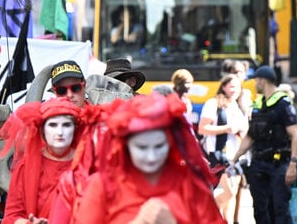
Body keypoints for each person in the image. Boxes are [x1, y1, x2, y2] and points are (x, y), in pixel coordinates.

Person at [71, 93, 221, 224]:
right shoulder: (103, 185)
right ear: (126, 146)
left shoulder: (189, 183)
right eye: (141, 148)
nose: (151, 157)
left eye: (159, 146)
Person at [229, 65, 297, 224]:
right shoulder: (258, 105)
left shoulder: (283, 104)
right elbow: (250, 136)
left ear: (263, 81)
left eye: (256, 80)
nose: (255, 84)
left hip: (279, 163)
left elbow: (295, 135)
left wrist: (293, 165)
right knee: (261, 209)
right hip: (259, 164)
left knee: (279, 209)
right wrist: (234, 159)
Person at [1, 97, 84, 223]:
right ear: (42, 130)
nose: (60, 132)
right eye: (53, 125)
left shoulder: (87, 164)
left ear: (75, 128)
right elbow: (11, 217)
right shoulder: (25, 167)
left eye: (66, 125)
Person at [198, 74, 249, 222]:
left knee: (231, 198)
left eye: (238, 87)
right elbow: (202, 128)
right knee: (229, 192)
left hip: (237, 155)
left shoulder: (238, 106)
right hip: (219, 155)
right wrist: (227, 128)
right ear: (224, 87)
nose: (235, 90)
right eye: (231, 86)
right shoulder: (213, 104)